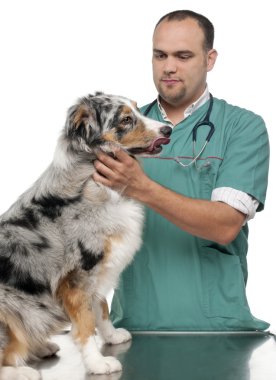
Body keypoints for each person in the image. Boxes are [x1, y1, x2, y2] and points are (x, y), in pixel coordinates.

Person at [92, 10, 270, 331]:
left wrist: (140, 187)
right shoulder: (118, 131)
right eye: (160, 55)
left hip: (217, 334)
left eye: (183, 56)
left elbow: (225, 225)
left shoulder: (242, 128)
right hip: (132, 329)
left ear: (210, 58)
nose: (169, 66)